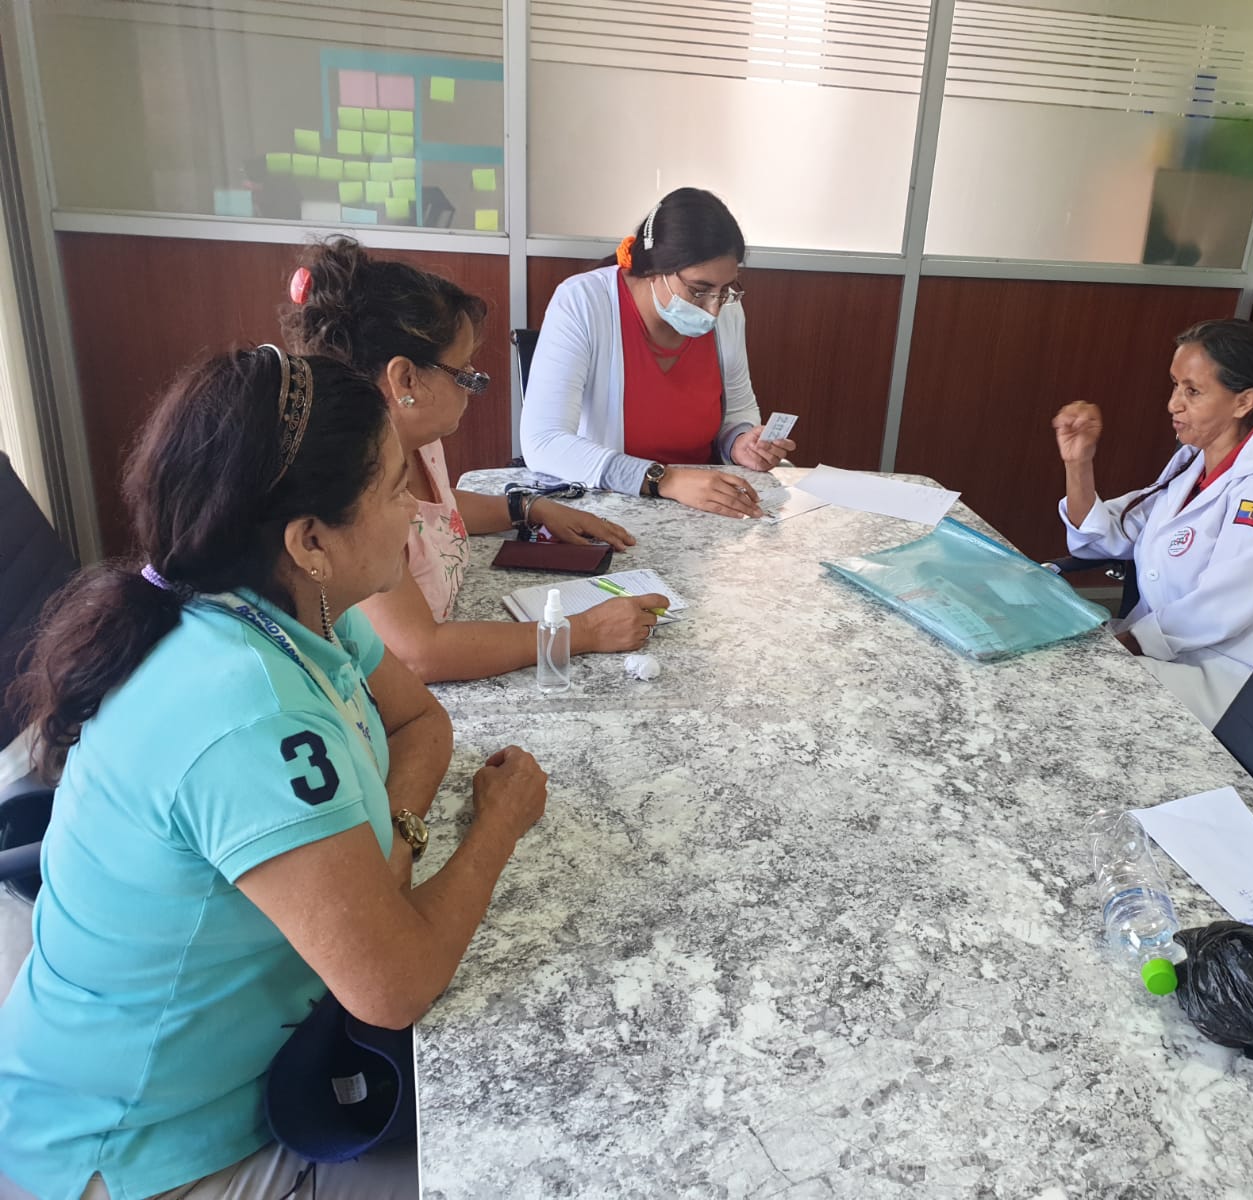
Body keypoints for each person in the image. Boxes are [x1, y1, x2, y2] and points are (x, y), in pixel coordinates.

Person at [0, 349, 548, 1200]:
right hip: (145, 1148)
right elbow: (395, 985)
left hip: (251, 1059)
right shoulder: (246, 708)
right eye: (394, 488)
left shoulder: (285, 610)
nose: (416, 507)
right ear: (310, 540)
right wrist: (497, 825)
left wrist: (393, 846)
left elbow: (420, 722)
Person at [285, 238, 666, 683]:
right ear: (406, 380)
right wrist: (582, 631)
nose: (473, 382)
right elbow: (420, 653)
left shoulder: (418, 441)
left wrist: (527, 508)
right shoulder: (355, 493)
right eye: (462, 370)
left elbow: (437, 513)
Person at [1053, 318, 1253, 728]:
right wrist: (1078, 464)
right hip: (1164, 655)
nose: (1173, 403)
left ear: (1243, 402)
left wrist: (1120, 646)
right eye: (1175, 385)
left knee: (1060, 695)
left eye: (1192, 391)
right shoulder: (1192, 461)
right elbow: (1111, 535)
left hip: (1231, 682)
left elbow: (1220, 608)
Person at [519, 187, 797, 519]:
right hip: (610, 505)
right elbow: (543, 442)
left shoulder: (728, 312)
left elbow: (737, 412)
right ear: (655, 269)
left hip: (704, 505)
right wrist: (666, 480)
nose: (713, 309)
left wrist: (740, 443)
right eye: (699, 290)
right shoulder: (583, 301)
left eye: (725, 290)